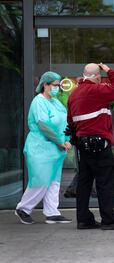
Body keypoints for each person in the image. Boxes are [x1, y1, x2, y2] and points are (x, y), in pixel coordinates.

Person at [67, 63, 114, 230]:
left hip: (82, 145)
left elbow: (70, 122)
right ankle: (109, 219)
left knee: (84, 183)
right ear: (97, 77)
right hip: (99, 145)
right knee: (105, 182)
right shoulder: (97, 90)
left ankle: (83, 219)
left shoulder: (73, 95)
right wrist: (109, 70)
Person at [15, 71, 72, 225]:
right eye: (55, 85)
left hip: (56, 149)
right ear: (45, 85)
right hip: (40, 147)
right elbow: (43, 125)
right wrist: (61, 141)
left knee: (54, 182)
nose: (57, 88)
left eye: (59, 86)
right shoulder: (38, 102)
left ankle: (52, 212)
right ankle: (23, 208)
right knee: (40, 180)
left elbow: (66, 122)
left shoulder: (56, 102)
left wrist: (68, 140)